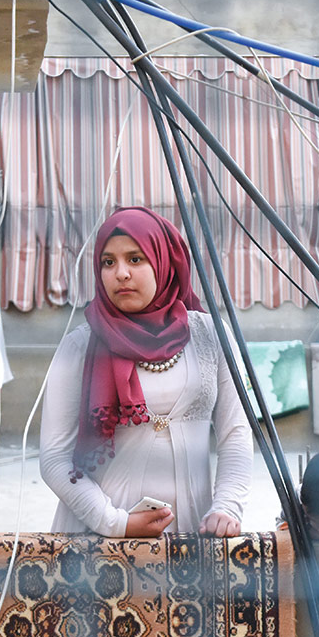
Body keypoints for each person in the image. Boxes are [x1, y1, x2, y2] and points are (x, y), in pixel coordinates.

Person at [39, 206, 252, 538]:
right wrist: (115, 523)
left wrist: (226, 507)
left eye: (135, 259)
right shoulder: (79, 347)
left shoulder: (211, 336)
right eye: (108, 262)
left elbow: (236, 434)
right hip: (99, 539)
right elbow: (55, 458)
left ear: (164, 261)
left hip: (195, 531)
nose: (121, 273)